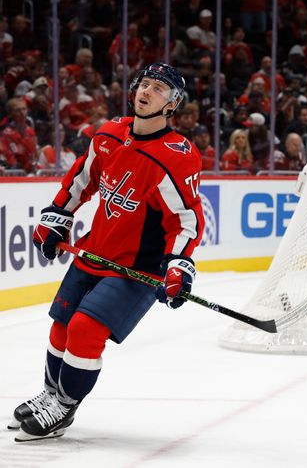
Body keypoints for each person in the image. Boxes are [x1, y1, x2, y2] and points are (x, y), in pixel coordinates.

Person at [12, 62, 203, 441]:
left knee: (85, 329)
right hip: (94, 252)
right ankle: (50, 395)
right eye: (144, 84)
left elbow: (185, 220)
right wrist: (58, 215)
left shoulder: (178, 156)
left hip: (136, 268)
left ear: (172, 105)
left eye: (159, 89)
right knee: (61, 326)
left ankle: (63, 406)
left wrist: (179, 264)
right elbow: (83, 178)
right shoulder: (109, 134)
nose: (147, 92)